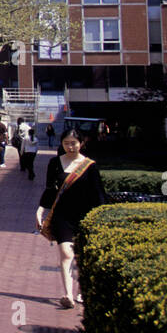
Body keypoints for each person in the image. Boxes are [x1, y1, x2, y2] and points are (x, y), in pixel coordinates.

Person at [36, 128, 108, 309]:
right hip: (63, 216)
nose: (70, 146)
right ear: (61, 143)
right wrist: (39, 210)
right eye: (66, 143)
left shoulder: (89, 166)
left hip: (85, 216)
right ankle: (68, 294)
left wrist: (101, 216)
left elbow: (99, 194)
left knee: (82, 256)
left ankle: (82, 290)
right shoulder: (55, 163)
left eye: (73, 143)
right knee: (66, 254)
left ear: (81, 143)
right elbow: (50, 190)